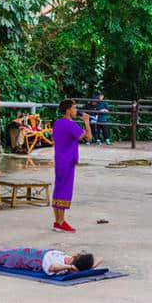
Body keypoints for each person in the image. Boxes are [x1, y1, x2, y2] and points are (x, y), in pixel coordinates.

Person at [0, 234, 102, 275]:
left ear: (78, 258)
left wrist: (70, 268)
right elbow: (99, 259)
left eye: (81, 254)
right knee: (1, 253)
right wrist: (87, 267)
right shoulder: (69, 259)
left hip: (23, 260)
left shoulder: (63, 267)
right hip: (29, 253)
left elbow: (51, 267)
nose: (79, 252)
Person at [52, 99, 92, 233]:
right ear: (68, 110)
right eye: (74, 108)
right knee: (65, 189)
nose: (76, 110)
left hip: (59, 159)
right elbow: (88, 137)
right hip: (68, 160)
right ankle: (61, 222)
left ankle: (58, 221)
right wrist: (86, 122)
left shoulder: (57, 123)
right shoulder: (71, 124)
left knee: (58, 187)